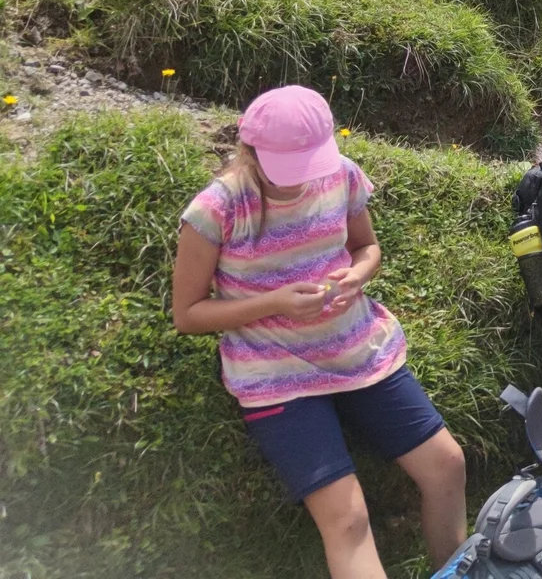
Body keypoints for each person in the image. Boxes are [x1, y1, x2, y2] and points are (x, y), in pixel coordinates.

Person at [172, 85, 469, 579]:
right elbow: (187, 314)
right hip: (274, 370)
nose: (301, 180)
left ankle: (456, 571)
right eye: (287, 167)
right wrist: (274, 303)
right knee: (348, 520)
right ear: (251, 151)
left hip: (357, 348)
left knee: (448, 466)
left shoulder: (342, 175)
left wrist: (356, 276)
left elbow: (366, 248)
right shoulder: (216, 209)